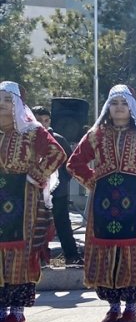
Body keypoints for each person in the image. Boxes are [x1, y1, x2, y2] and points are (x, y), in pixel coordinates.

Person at [66, 85, 136, 322]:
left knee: (135, 249)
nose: (119, 108)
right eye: (114, 103)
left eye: (124, 103)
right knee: (106, 247)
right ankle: (113, 305)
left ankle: (131, 306)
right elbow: (74, 162)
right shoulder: (97, 134)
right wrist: (92, 182)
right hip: (104, 200)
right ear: (108, 107)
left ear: (132, 108)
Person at [0, 82, 66, 322]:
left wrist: (36, 175)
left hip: (23, 198)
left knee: (20, 251)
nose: (2, 103)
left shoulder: (31, 131)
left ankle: (16, 311)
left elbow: (56, 153)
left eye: (8, 99)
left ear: (17, 103)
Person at [31, 106, 82, 266]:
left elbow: (70, 164)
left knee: (63, 224)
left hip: (57, 193)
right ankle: (40, 259)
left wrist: (62, 182)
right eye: (39, 120)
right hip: (34, 192)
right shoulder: (27, 139)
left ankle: (71, 256)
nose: (43, 124)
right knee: (37, 225)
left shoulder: (58, 139)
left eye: (46, 120)